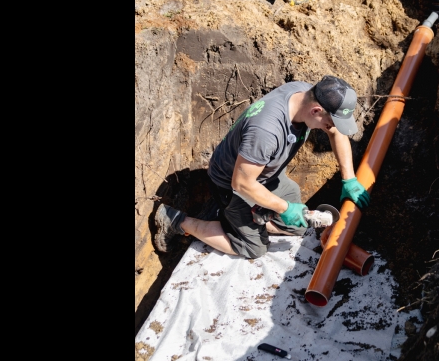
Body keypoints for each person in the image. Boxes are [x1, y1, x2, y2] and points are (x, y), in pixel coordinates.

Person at [154, 75, 371, 259]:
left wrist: (349, 179)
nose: (331, 129)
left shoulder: (306, 94)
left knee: (298, 224)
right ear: (316, 111)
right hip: (231, 184)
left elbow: (335, 132)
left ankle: (250, 215)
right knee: (254, 248)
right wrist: (284, 208)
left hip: (263, 177)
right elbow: (241, 183)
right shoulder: (266, 132)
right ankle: (178, 221)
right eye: (329, 123)